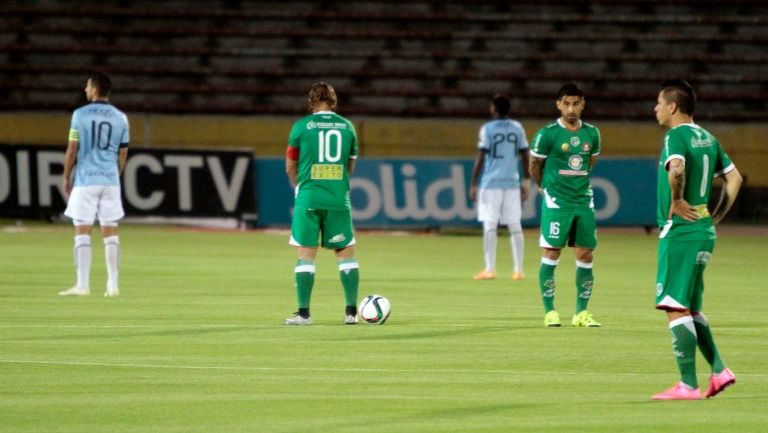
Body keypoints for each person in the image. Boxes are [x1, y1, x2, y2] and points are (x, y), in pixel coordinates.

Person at [650, 80, 742, 400]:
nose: (656, 109)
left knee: (674, 306)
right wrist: (715, 216)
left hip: (681, 231)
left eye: (660, 103)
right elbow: (735, 178)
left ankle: (687, 384)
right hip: (703, 229)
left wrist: (676, 201)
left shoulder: (675, 136)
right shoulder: (708, 137)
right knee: (690, 308)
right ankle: (719, 370)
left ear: (673, 106)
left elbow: (676, 170)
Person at [284, 82, 360, 326]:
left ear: (311, 102)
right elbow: (350, 167)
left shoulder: (300, 128)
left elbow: (289, 166)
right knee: (345, 253)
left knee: (306, 255)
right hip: (338, 198)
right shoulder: (348, 127)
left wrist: (300, 188)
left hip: (308, 197)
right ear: (334, 102)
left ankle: (304, 314)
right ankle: (351, 313)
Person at [529, 83, 601, 328]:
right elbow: (534, 166)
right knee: (552, 252)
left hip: (583, 201)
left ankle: (582, 313)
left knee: (585, 254)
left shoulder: (592, 133)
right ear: (558, 104)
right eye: (566, 103)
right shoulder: (547, 134)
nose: (571, 109)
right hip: (557, 202)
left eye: (576, 103)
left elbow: (591, 162)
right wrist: (544, 188)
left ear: (583, 104)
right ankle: (550, 311)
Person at [59, 72, 129, 298]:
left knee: (82, 230)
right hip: (109, 180)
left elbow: (72, 149)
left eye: (88, 86)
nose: (85, 89)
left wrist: (66, 176)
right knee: (110, 232)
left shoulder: (79, 115)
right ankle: (113, 285)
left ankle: (82, 285)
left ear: (96, 90)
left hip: (86, 180)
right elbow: (123, 152)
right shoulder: (121, 118)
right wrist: (114, 174)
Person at [469, 94, 530, 281]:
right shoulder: (517, 128)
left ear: (493, 108)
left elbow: (481, 156)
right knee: (515, 225)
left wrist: (473, 183)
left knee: (490, 225)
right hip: (512, 182)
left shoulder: (488, 129)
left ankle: (490, 269)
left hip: (491, 182)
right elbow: (525, 154)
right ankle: (518, 270)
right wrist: (526, 180)